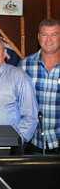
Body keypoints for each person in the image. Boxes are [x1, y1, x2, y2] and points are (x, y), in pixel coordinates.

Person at [19, 18, 60, 154]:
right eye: (44, 35)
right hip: (33, 143)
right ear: (38, 37)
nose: (49, 40)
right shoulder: (24, 65)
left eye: (54, 34)